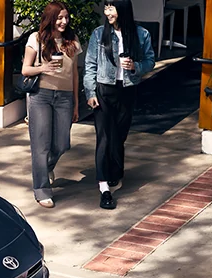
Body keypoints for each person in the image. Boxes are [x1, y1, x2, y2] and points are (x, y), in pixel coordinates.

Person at [82, 0, 155, 210]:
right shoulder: (99, 34)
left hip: (127, 90)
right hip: (104, 90)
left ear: (122, 9)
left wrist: (135, 66)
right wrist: (90, 92)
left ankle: (116, 170)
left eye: (111, 7)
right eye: (106, 7)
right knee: (104, 138)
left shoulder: (141, 34)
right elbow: (90, 65)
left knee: (119, 136)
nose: (107, 12)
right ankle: (104, 188)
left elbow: (150, 61)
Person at [22, 1, 80, 208]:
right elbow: (25, 70)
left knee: (62, 143)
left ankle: (46, 167)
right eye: (59, 18)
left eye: (66, 17)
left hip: (64, 97)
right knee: (41, 145)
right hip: (41, 96)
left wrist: (76, 103)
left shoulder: (72, 40)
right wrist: (43, 68)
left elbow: (74, 74)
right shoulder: (36, 39)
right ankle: (42, 190)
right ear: (50, 19)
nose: (64, 21)